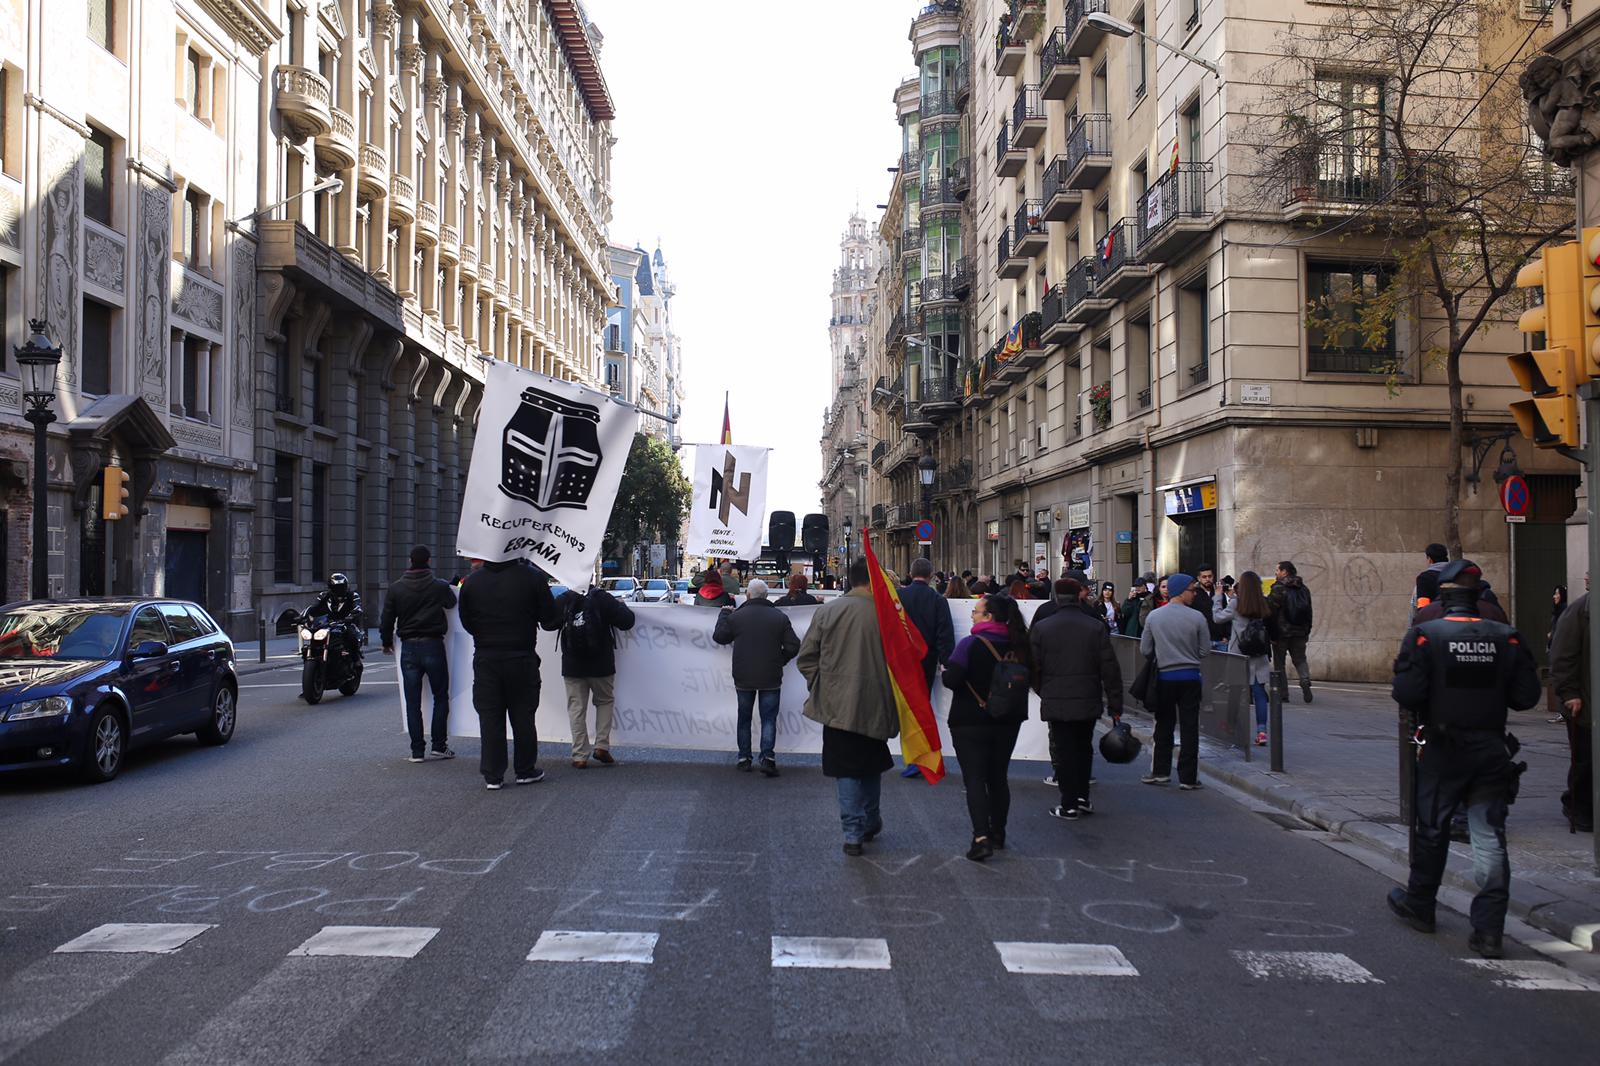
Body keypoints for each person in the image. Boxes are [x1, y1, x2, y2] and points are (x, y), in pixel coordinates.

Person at [1388, 558, 1542, 959]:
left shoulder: (1425, 636)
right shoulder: (1507, 637)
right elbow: (1526, 698)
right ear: (1478, 596)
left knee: (1433, 829)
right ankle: (1489, 930)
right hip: (1491, 749)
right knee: (1489, 836)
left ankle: (1421, 905)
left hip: (1443, 748)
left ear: (1443, 596)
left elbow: (1406, 693)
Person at [797, 556, 899, 856]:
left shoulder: (829, 611)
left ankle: (853, 832)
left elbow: (806, 658)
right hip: (877, 700)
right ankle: (870, 819)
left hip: (838, 703)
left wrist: (823, 685)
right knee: (871, 766)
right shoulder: (888, 614)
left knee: (847, 770)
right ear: (872, 581)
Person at [942, 594, 1031, 860]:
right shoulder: (1019, 646)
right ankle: (998, 832)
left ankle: (980, 837)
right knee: (998, 777)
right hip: (1007, 720)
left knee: (975, 779)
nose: (972, 615)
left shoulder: (970, 644)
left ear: (988, 616)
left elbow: (952, 680)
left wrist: (947, 671)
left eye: (976, 611)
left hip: (970, 719)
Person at [458, 559, 559, 790]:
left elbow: (466, 621)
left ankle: (493, 774)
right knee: (523, 715)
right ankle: (525, 769)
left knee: (490, 716)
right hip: (521, 655)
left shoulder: (472, 582)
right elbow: (550, 620)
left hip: (486, 656)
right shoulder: (533, 577)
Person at [1032, 578, 1123, 821]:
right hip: (1087, 695)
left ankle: (1069, 802)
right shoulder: (1095, 627)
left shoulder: (1043, 628)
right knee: (1083, 747)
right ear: (1079, 595)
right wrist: (1115, 704)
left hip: (1056, 696)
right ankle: (1082, 796)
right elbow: (1110, 668)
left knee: (1064, 750)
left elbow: (1033, 667)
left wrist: (1043, 690)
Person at [713, 578, 801, 775]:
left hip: (744, 674)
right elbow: (793, 645)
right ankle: (767, 757)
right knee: (768, 718)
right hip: (770, 674)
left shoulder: (737, 617)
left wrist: (724, 614)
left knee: (744, 717)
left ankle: (744, 757)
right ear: (766, 596)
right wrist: (780, 660)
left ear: (748, 595)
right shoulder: (779, 617)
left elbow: (719, 636)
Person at [544, 582, 635, 769]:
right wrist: (620, 606)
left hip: (573, 664)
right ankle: (601, 745)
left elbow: (547, 624)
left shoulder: (565, 599)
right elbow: (627, 621)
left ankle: (579, 755)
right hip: (601, 662)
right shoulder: (602, 598)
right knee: (604, 701)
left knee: (576, 708)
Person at [380, 546, 458, 763]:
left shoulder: (396, 588)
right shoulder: (438, 586)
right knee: (440, 696)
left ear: (410, 561)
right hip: (433, 644)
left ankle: (416, 751)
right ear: (429, 561)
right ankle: (439, 746)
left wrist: (386, 642)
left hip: (409, 648)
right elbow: (451, 603)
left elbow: (387, 618)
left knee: (412, 701)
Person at [1139, 573, 1211, 789]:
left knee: (1164, 725)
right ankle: (1188, 777)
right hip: (1190, 676)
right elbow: (1204, 650)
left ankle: (1160, 771)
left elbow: (1145, 650)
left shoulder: (1154, 617)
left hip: (1164, 676)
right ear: (1180, 590)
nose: (1194, 593)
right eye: (1192, 589)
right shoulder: (1197, 617)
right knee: (1190, 728)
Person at [1550, 571, 1593, 833]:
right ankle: (1578, 807)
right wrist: (1569, 693)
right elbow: (1562, 656)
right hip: (1586, 705)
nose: (1586, 577)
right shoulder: (1580, 612)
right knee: (1585, 761)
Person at [1215, 571, 1272, 746]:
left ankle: (1231, 726)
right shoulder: (1263, 603)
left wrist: (1218, 597)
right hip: (1258, 654)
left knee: (1235, 691)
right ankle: (1262, 731)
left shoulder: (1236, 603)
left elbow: (1217, 618)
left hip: (1238, 654)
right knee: (1259, 692)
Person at [899, 558, 956, 692]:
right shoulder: (938, 600)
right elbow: (944, 633)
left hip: (902, 655)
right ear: (931, 575)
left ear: (911, 574)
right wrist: (946, 662)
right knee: (923, 699)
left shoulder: (898, 596)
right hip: (927, 658)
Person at [1267, 560, 1314, 703]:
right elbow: (1309, 612)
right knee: (1300, 659)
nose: (1275, 573)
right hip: (1300, 632)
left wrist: (1271, 633)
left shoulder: (1278, 588)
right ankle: (1304, 679)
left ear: (1284, 572)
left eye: (1277, 570)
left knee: (1279, 663)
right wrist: (1307, 631)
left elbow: (1271, 612)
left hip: (1281, 633)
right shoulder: (1304, 589)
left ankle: (1283, 693)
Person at [307, 572, 365, 656]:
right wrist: (304, 616)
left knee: (352, 635)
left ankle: (355, 658)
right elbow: (314, 607)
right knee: (314, 635)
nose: (339, 590)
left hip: (346, 623)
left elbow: (357, 607)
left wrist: (351, 616)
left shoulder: (353, 595)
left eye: (341, 587)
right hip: (327, 624)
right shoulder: (323, 596)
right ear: (330, 588)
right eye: (336, 588)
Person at [1411, 542, 1450, 622]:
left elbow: (1422, 606)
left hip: (1434, 624)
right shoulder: (1457, 574)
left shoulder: (1425, 578)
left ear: (1429, 559)